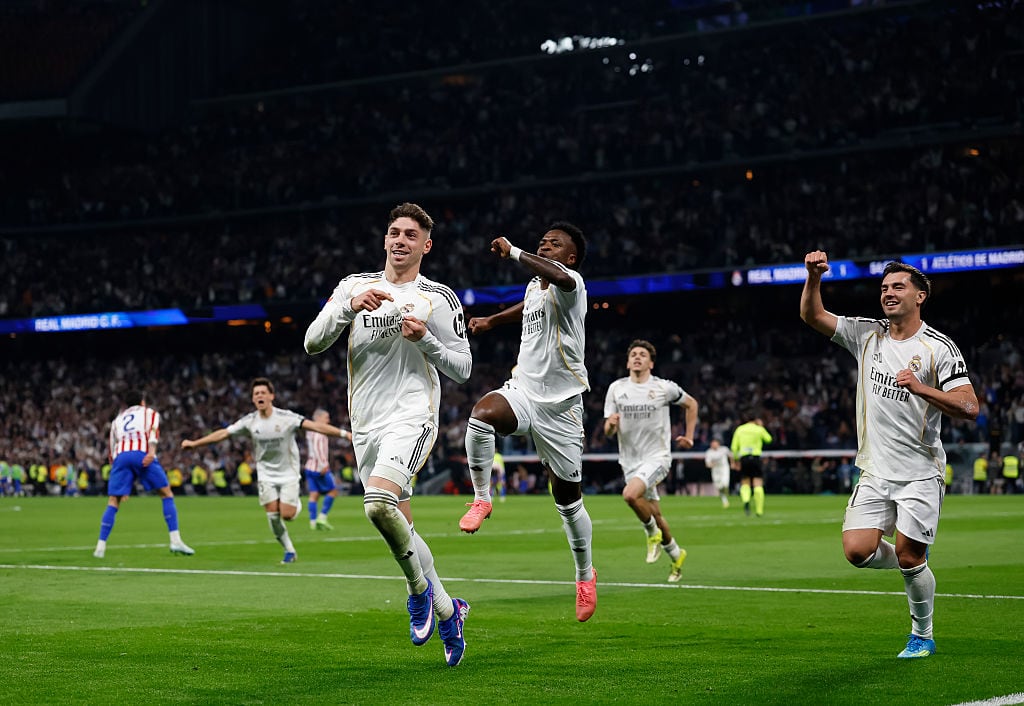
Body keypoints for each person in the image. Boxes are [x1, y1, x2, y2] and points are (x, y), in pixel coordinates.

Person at [304, 202, 473, 666]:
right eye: (394, 232)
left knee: (378, 503)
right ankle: (447, 609)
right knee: (400, 524)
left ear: (426, 245)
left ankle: (417, 590)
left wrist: (426, 340)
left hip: (412, 416)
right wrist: (346, 308)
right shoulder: (354, 287)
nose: (400, 240)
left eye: (411, 235)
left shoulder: (438, 297)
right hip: (366, 423)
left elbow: (462, 367)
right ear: (385, 239)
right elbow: (312, 341)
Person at [800, 251, 979, 659]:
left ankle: (922, 634)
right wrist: (813, 278)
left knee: (909, 555)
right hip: (875, 470)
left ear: (920, 297)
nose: (888, 293)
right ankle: (910, 558)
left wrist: (923, 389)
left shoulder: (939, 348)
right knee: (857, 551)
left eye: (898, 286)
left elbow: (970, 407)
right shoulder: (867, 334)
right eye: (884, 288)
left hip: (919, 471)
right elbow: (814, 316)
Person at [458, 221, 598, 622]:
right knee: (481, 416)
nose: (546, 245)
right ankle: (483, 498)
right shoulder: (535, 287)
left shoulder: (572, 282)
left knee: (568, 501)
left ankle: (585, 575)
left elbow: (552, 273)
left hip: (563, 408)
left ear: (570, 257)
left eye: (555, 244)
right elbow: (526, 308)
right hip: (524, 391)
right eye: (543, 241)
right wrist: (491, 322)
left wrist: (517, 251)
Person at [181, 377, 345, 564]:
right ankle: (289, 550)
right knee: (272, 515)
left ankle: (295, 503)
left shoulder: (286, 418)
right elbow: (223, 433)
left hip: (288, 473)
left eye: (263, 393)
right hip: (266, 474)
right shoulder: (249, 421)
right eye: (256, 393)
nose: (259, 395)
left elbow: (316, 426)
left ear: (271, 396)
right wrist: (195, 444)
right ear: (253, 399)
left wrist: (344, 433)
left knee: (287, 515)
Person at [603, 339, 699, 582]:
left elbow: (691, 404)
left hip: (658, 457)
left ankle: (651, 534)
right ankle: (677, 556)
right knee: (655, 514)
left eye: (642, 354)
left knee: (629, 495)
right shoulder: (616, 389)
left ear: (651, 363)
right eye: (633, 354)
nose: (637, 357)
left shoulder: (663, 388)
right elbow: (608, 431)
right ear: (627, 362)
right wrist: (610, 425)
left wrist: (689, 436)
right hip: (630, 461)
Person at [93, 391, 194, 559]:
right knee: (166, 493)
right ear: (142, 402)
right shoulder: (150, 413)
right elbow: (153, 432)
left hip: (121, 457)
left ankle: (100, 547)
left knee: (113, 501)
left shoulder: (117, 420)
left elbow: (112, 449)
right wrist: (152, 452)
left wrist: (122, 484)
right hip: (142, 453)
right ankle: (175, 540)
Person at [304, 408, 352, 529]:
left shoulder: (309, 431)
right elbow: (318, 449)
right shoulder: (319, 432)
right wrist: (323, 465)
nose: (328, 420)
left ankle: (313, 522)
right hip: (319, 468)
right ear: (318, 418)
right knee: (333, 491)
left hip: (309, 466)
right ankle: (322, 517)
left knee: (314, 494)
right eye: (326, 418)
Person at [730, 416, 773, 516]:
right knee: (757, 483)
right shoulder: (759, 429)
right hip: (755, 458)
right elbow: (769, 439)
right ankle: (759, 510)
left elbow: (734, 447)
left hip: (744, 458)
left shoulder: (740, 429)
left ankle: (746, 501)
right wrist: (761, 427)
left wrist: (736, 460)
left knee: (745, 482)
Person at [704, 438, 732, 508]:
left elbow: (731, 456)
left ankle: (726, 491)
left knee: (724, 483)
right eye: (712, 443)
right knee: (719, 486)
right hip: (715, 470)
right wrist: (713, 464)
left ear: (718, 444)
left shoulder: (724, 449)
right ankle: (725, 501)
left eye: (715, 443)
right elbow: (707, 464)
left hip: (724, 468)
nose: (713, 445)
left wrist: (733, 463)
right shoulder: (708, 452)